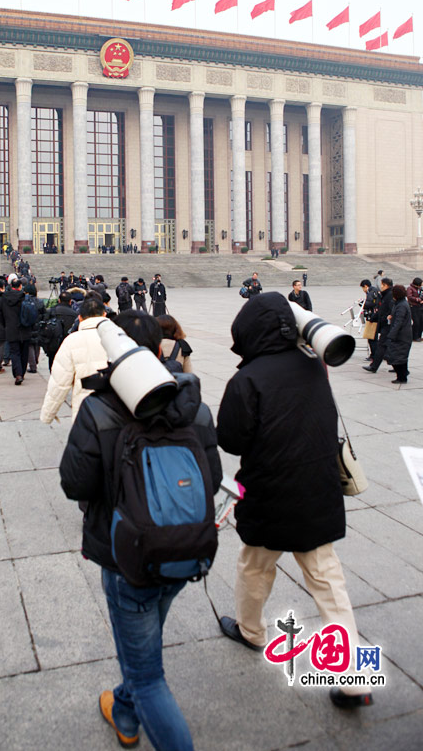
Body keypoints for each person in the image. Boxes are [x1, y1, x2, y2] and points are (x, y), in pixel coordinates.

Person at [59, 310, 222, 750]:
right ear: (157, 350)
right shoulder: (196, 406)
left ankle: (139, 710)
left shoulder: (98, 409)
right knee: (143, 649)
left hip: (125, 558)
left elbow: (74, 482)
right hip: (184, 548)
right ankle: (125, 713)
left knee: (148, 676)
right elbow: (214, 473)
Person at [216, 292, 372, 710]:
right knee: (327, 580)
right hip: (317, 490)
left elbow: (230, 439)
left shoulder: (248, 378)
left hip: (269, 493)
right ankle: (353, 677)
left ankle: (251, 631)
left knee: (255, 566)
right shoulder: (314, 366)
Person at [40, 296, 108, 423]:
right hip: (117, 411)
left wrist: (48, 414)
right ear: (104, 314)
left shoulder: (72, 341)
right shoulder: (120, 336)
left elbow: (59, 383)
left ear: (80, 318)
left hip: (85, 410)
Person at [363, 277, 394, 374]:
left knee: (382, 345)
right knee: (388, 346)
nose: (380, 287)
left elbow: (389, 310)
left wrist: (385, 318)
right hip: (385, 324)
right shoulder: (385, 295)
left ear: (386, 285)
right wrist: (374, 317)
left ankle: (374, 366)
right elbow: (381, 309)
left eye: (382, 285)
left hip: (388, 325)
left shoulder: (389, 295)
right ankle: (397, 365)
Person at [386, 284, 413, 384]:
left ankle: (402, 377)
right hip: (402, 335)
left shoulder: (401, 305)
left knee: (398, 357)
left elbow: (399, 322)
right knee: (401, 357)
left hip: (401, 336)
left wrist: (391, 335)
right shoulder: (399, 303)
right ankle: (403, 374)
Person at [360, 279, 380, 360]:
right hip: (374, 316)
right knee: (373, 337)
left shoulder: (371, 293)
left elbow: (369, 304)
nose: (363, 290)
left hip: (372, 317)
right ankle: (375, 354)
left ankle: (374, 355)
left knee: (371, 338)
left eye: (363, 288)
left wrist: (361, 303)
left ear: (365, 286)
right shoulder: (374, 291)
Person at [406, 276, 423, 342]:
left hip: (420, 306)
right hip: (413, 306)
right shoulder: (410, 288)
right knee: (416, 322)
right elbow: (409, 296)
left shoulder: (420, 289)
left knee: (421, 321)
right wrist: (418, 300)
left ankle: (419, 335)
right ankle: (414, 336)